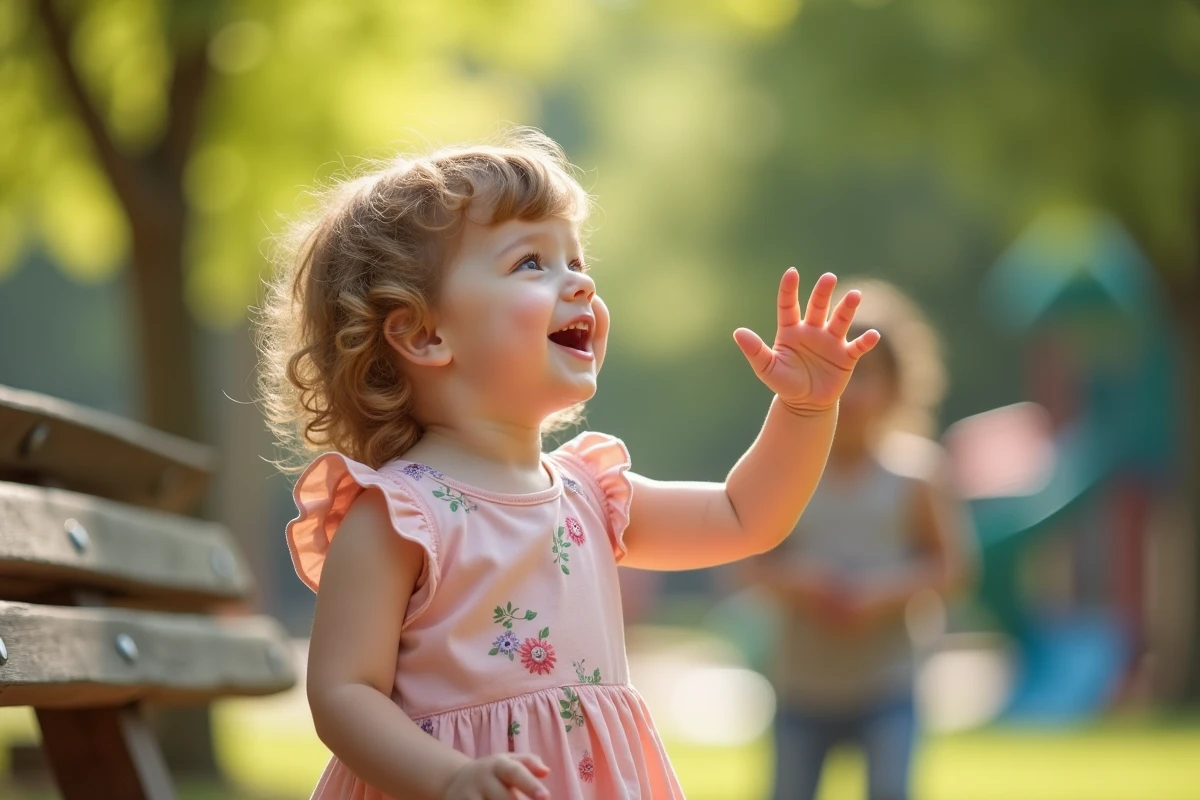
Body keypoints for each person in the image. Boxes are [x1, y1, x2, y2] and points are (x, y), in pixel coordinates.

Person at [255, 128, 879, 800]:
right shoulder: (400, 515)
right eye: (532, 263)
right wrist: (449, 777)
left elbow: (744, 516)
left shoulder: (590, 494)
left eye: (577, 261)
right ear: (424, 333)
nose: (578, 282)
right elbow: (343, 693)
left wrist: (805, 411)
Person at [745, 280, 973, 800]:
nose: (848, 390)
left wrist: (882, 593)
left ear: (896, 385)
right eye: (835, 372)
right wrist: (802, 583)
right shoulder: (786, 470)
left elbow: (953, 569)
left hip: (887, 681)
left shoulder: (917, 475)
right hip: (803, 682)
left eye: (864, 374)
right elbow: (748, 564)